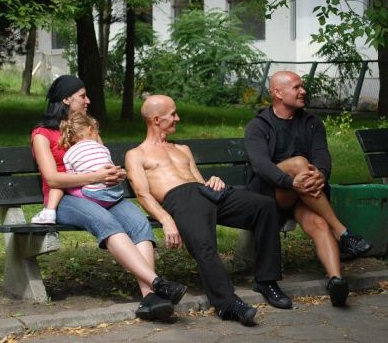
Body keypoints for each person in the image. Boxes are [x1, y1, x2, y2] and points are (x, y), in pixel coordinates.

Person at [125, 94, 292, 328]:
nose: (177, 118)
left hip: (206, 194)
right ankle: (227, 303)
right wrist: (166, 220)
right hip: (180, 199)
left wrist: (212, 181)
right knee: (204, 244)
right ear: (156, 119)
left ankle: (266, 280)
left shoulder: (182, 149)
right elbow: (142, 193)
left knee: (265, 206)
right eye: (172, 114)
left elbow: (198, 181)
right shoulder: (137, 154)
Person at [31, 75, 187, 322]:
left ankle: (149, 298)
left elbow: (103, 162)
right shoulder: (42, 134)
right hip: (65, 199)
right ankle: (158, 284)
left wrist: (115, 173)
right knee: (107, 223)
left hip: (102, 193)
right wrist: (95, 177)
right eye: (82, 96)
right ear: (66, 99)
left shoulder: (89, 128)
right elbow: (52, 179)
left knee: (139, 224)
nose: (88, 101)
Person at [244, 70, 372, 307]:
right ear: (277, 93)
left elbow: (322, 156)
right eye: (296, 87)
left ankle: (336, 280)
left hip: (304, 194)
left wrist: (321, 175)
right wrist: (290, 182)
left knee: (319, 223)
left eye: (302, 86)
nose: (303, 91)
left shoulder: (312, 123)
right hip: (269, 193)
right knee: (299, 163)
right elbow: (261, 165)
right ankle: (343, 233)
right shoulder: (258, 126)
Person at [31, 112, 125, 224]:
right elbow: (108, 166)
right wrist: (113, 174)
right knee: (60, 182)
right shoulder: (102, 148)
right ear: (90, 130)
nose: (98, 135)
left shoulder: (69, 154)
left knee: (62, 183)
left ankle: (49, 212)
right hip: (114, 194)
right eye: (97, 132)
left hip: (91, 195)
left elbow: (71, 175)